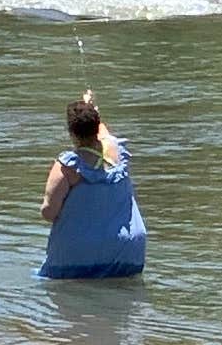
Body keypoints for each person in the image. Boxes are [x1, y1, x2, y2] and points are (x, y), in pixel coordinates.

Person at [40, 91, 147, 278]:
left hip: (79, 256)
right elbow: (104, 135)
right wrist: (91, 107)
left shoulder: (68, 166)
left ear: (71, 132)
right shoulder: (118, 152)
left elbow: (49, 212)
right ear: (97, 126)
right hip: (129, 251)